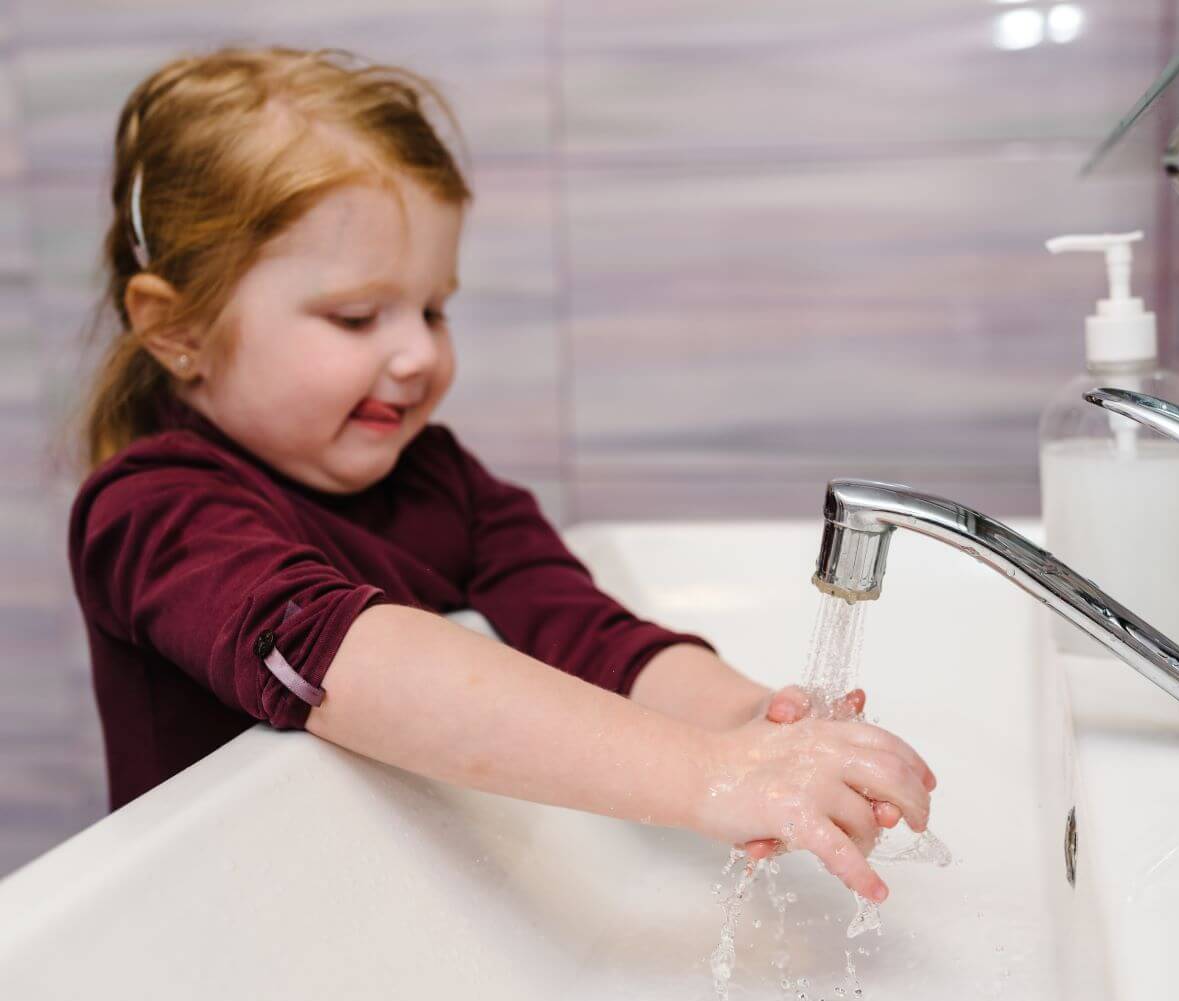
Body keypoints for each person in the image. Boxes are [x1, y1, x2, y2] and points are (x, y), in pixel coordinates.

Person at [66, 46, 935, 904]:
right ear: (176, 328)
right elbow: (348, 660)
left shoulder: (441, 478)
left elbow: (588, 634)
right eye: (357, 315)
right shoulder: (152, 512)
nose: (416, 354)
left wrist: (747, 721)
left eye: (433, 309)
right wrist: (702, 775)